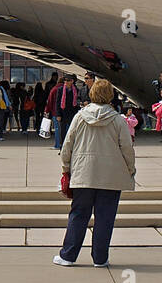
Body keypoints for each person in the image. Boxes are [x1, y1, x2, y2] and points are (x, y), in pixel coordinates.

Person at [54, 78, 136, 268]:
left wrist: (66, 168)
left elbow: (67, 145)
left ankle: (68, 255)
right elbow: (127, 148)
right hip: (111, 176)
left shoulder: (80, 117)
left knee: (78, 215)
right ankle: (100, 258)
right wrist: (130, 169)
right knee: (105, 217)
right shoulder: (118, 120)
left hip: (83, 173)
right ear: (110, 96)